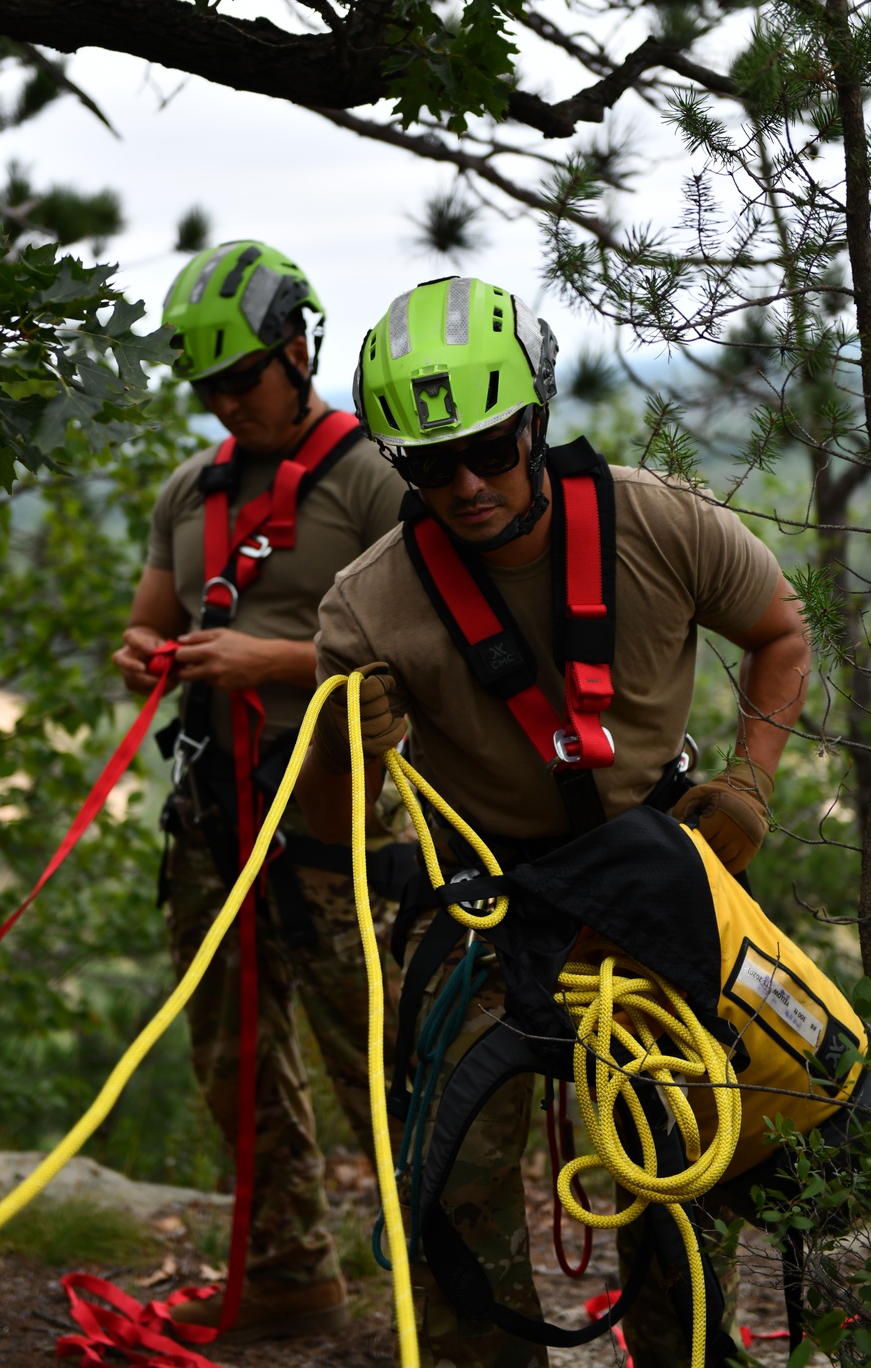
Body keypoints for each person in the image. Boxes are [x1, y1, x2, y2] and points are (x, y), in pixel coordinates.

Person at [296, 273, 811, 1368]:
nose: (469, 485)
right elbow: (337, 825)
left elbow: (779, 629)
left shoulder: (657, 521)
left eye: (493, 448)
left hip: (656, 876)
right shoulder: (370, 601)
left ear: (536, 419)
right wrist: (356, 745)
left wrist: (750, 782)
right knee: (450, 1198)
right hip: (491, 904)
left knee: (682, 1185)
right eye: (430, 466)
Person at [112, 240, 408, 1343]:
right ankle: (288, 1270)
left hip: (338, 808)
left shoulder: (379, 477)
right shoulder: (191, 490)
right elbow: (151, 618)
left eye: (245, 378)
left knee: (376, 1054)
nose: (228, 402)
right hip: (214, 805)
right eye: (210, 388)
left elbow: (428, 652)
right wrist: (149, 653)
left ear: (299, 348)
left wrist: (269, 662)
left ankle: (441, 1282)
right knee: (235, 1051)